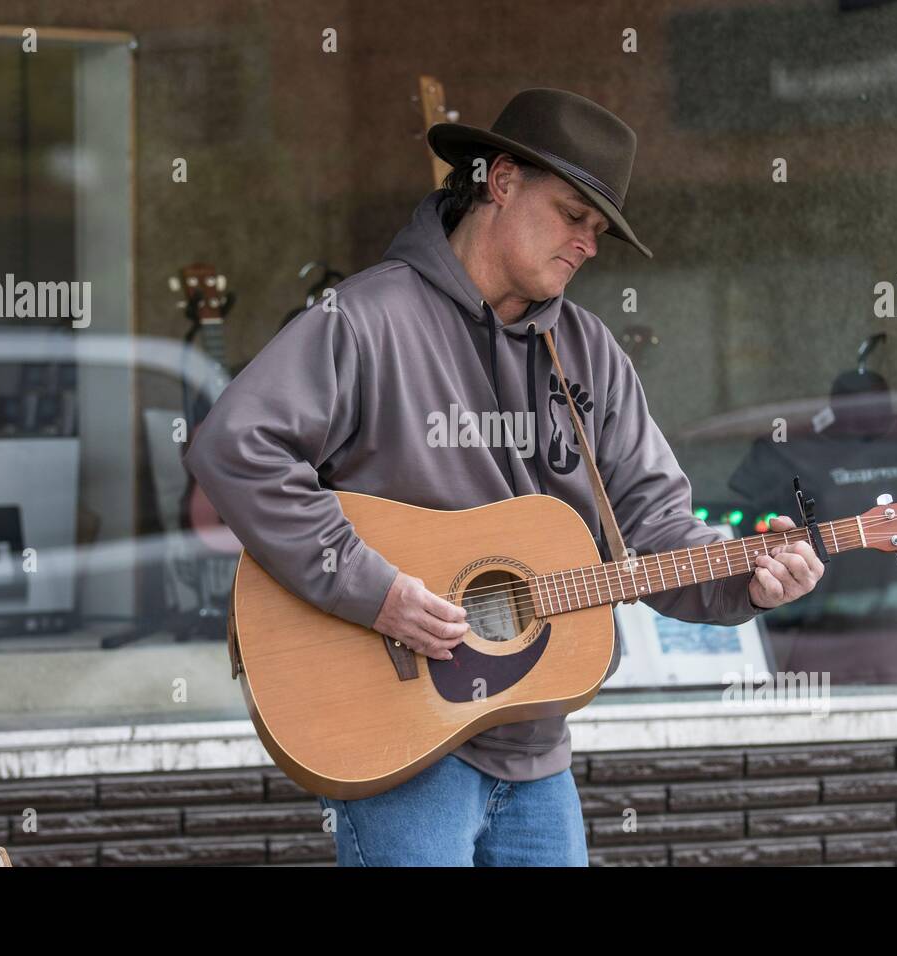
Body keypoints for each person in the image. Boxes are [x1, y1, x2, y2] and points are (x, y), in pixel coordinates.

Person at [183, 88, 824, 866]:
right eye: (572, 215)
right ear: (503, 181)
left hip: (537, 749)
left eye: (599, 231)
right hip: (402, 744)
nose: (587, 244)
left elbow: (655, 530)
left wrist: (748, 584)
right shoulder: (367, 319)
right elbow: (235, 445)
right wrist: (372, 589)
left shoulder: (591, 356)